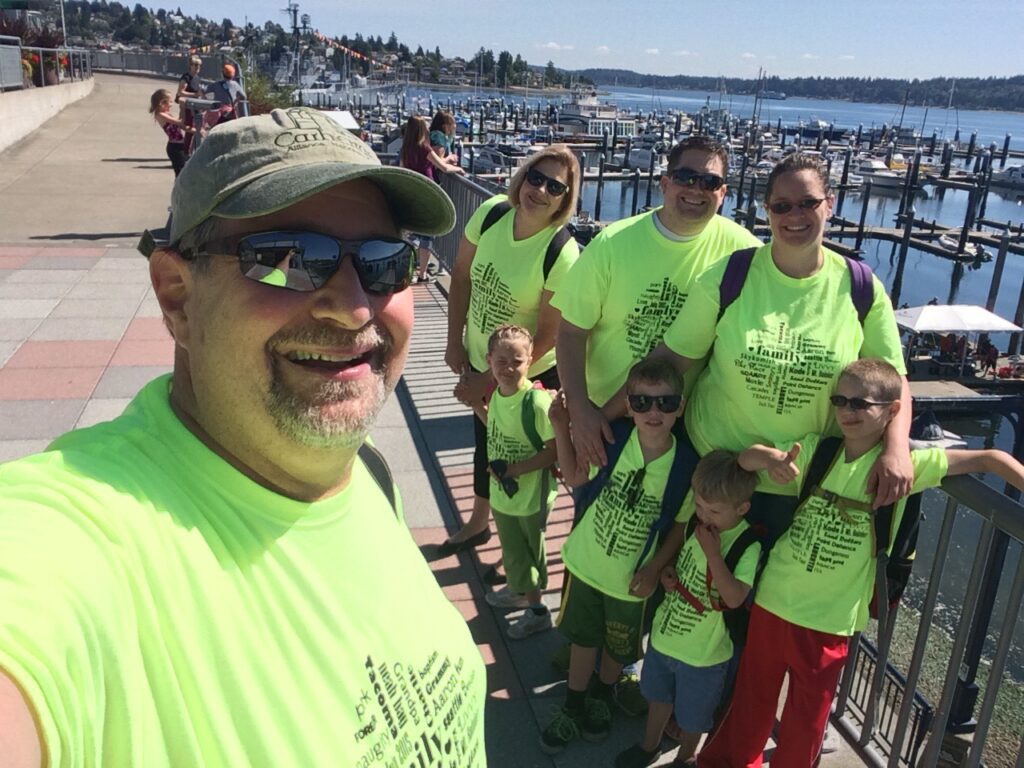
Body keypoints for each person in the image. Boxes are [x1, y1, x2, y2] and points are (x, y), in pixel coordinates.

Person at [0, 107, 486, 767]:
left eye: (384, 263)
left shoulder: (362, 471)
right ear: (178, 296)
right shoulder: (83, 541)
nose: (353, 306)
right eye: (289, 258)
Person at [699, 358, 1024, 767]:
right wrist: (770, 460)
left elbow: (992, 459)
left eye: (860, 404)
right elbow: (744, 461)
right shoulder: (817, 450)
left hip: (829, 620)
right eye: (840, 400)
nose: (847, 412)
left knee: (805, 724)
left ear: (891, 411)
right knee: (750, 706)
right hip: (772, 602)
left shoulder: (905, 466)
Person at [658, 153, 913, 540]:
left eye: (808, 202)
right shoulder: (730, 276)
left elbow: (895, 381)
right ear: (767, 212)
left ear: (830, 203)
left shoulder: (860, 287)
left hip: (807, 484)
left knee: (773, 597)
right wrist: (599, 415)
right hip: (718, 475)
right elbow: (672, 359)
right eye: (782, 205)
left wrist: (896, 450)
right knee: (697, 593)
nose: (795, 214)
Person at [554, 136, 761, 472]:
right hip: (610, 419)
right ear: (665, 183)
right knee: (598, 520)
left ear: (722, 194)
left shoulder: (745, 253)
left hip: (691, 426)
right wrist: (581, 411)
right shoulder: (612, 243)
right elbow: (570, 332)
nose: (696, 189)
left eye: (710, 182)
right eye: (685, 177)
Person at [541, 358, 690, 755]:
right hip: (587, 563)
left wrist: (656, 568)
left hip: (631, 580)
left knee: (615, 647)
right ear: (627, 405)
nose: (653, 412)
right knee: (583, 640)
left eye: (664, 402)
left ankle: (602, 697)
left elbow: (680, 524)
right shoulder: (614, 437)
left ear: (680, 405)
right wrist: (560, 426)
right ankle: (573, 705)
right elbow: (575, 478)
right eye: (641, 402)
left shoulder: (686, 465)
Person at [439, 145, 581, 557]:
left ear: (565, 199)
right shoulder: (493, 212)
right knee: (486, 442)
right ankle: (480, 522)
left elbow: (551, 333)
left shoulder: (562, 251)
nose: (540, 190)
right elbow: (462, 277)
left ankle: (520, 548)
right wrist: (454, 341)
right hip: (487, 358)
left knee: (528, 457)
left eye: (555, 186)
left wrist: (491, 379)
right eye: (536, 177)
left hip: (529, 370)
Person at [615, 451, 760, 768]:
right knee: (657, 696)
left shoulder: (746, 544)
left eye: (714, 510)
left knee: (695, 715)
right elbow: (681, 564)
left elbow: (735, 597)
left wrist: (714, 555)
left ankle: (686, 758)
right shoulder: (700, 525)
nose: (704, 515)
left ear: (742, 508)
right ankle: (649, 744)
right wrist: (669, 575)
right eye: (699, 505)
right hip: (666, 637)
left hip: (704, 655)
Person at [469, 325, 558, 639]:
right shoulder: (495, 394)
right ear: (489, 359)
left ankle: (537, 611)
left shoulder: (536, 403)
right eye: (501, 361)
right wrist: (476, 407)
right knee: (512, 548)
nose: (508, 368)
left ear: (530, 360)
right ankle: (519, 588)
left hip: (530, 496)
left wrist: (516, 470)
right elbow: (496, 425)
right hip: (504, 492)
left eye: (517, 361)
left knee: (531, 552)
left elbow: (554, 451)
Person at [398, 115, 465, 283]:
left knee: (412, 233)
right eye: (425, 127)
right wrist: (457, 168)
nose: (428, 129)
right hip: (429, 191)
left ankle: (406, 270)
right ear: (421, 129)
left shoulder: (406, 149)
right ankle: (422, 274)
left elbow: (402, 169)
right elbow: (443, 167)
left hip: (413, 192)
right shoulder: (424, 148)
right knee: (427, 235)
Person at [149, 88, 193, 177]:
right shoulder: (160, 115)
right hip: (174, 148)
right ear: (162, 103)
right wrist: (183, 107)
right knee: (181, 173)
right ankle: (179, 190)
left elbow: (181, 125)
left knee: (184, 172)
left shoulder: (167, 113)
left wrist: (196, 130)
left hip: (180, 145)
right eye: (170, 102)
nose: (171, 104)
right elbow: (180, 122)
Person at [175, 55, 204, 153]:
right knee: (190, 128)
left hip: (196, 105)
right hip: (187, 106)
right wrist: (194, 94)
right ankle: (185, 151)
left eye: (199, 66)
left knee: (198, 127)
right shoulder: (186, 77)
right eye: (195, 65)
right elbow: (180, 92)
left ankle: (193, 150)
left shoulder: (197, 78)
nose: (197, 68)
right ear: (190, 66)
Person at [205, 62, 246, 126]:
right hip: (229, 112)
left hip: (218, 113)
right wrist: (235, 102)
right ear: (233, 75)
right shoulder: (235, 84)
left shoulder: (216, 84)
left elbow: (205, 91)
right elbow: (244, 96)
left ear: (223, 74)